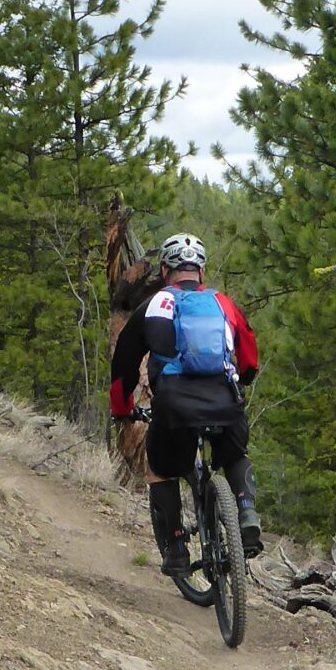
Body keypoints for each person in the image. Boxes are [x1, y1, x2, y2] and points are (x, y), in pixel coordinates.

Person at [110, 233, 263, 574]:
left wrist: (121, 410)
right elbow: (250, 360)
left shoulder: (153, 305)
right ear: (201, 273)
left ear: (165, 271)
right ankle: (246, 509)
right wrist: (241, 382)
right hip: (225, 400)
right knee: (234, 453)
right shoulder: (223, 303)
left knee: (161, 469)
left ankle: (177, 546)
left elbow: (122, 368)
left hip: (175, 406)